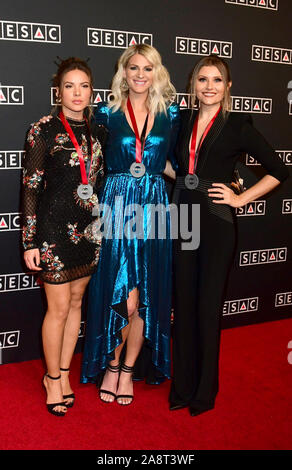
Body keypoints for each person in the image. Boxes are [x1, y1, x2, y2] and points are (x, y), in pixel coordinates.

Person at [169, 54, 289, 417]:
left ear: (228, 86)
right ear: (193, 84)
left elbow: (279, 170)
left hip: (219, 219)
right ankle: (183, 386)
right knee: (185, 305)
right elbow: (177, 169)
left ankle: (204, 392)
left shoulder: (238, 125)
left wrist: (240, 197)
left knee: (207, 308)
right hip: (184, 216)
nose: (209, 87)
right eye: (202, 79)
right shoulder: (183, 119)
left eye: (217, 80)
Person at [80, 44, 180, 405]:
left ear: (157, 73)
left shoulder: (171, 112)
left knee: (147, 295)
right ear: (123, 72)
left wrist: (197, 180)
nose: (140, 74)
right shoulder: (106, 112)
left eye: (148, 68)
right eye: (133, 67)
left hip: (153, 202)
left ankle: (127, 370)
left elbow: (172, 163)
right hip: (117, 202)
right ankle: (110, 364)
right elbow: (90, 162)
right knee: (119, 293)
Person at [22, 57, 106, 416]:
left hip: (88, 231)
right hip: (54, 232)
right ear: (59, 90)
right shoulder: (42, 129)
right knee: (57, 309)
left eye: (83, 86)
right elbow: (30, 187)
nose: (77, 93)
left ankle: (66, 372)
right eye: (69, 86)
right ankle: (52, 378)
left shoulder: (97, 130)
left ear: (91, 90)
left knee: (75, 305)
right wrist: (29, 241)